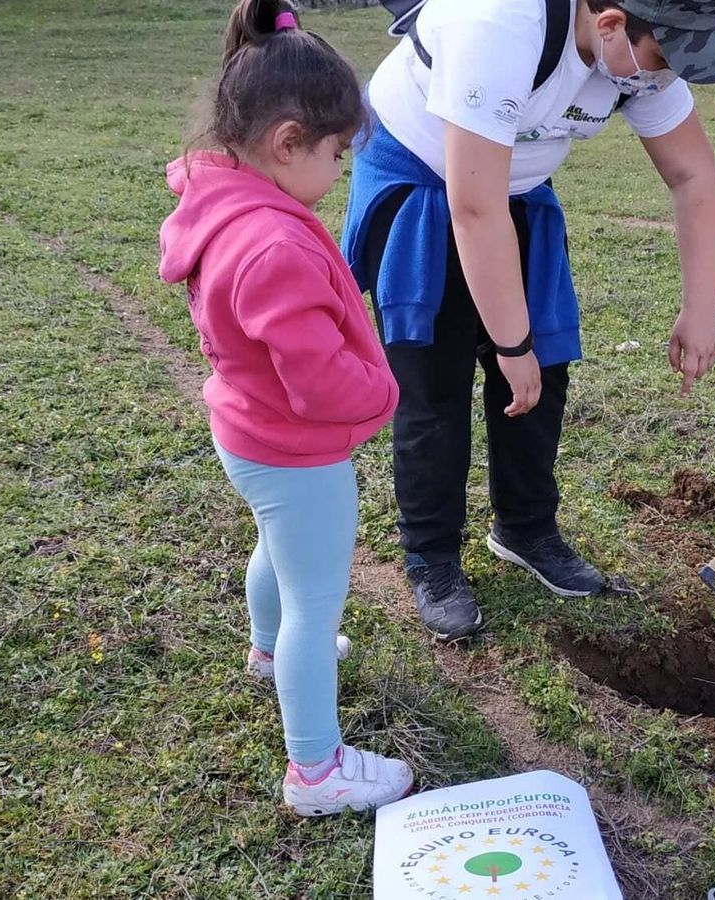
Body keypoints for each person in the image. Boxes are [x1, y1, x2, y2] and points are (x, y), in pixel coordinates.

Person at [343, 0, 715, 641]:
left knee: (544, 370)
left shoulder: (637, 59)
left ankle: (526, 528)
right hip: (424, 179)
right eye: (663, 58)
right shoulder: (497, 26)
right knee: (436, 381)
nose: (663, 77)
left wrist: (702, 309)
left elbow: (693, 174)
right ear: (611, 23)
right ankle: (433, 556)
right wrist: (509, 341)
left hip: (518, 191)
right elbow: (472, 208)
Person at [158, 0, 413, 816]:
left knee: (278, 553)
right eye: (338, 153)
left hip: (249, 432)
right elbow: (317, 378)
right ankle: (316, 770)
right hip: (294, 451)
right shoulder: (272, 245)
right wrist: (381, 391)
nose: (340, 170)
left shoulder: (225, 201)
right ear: (288, 142)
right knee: (316, 601)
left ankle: (267, 654)